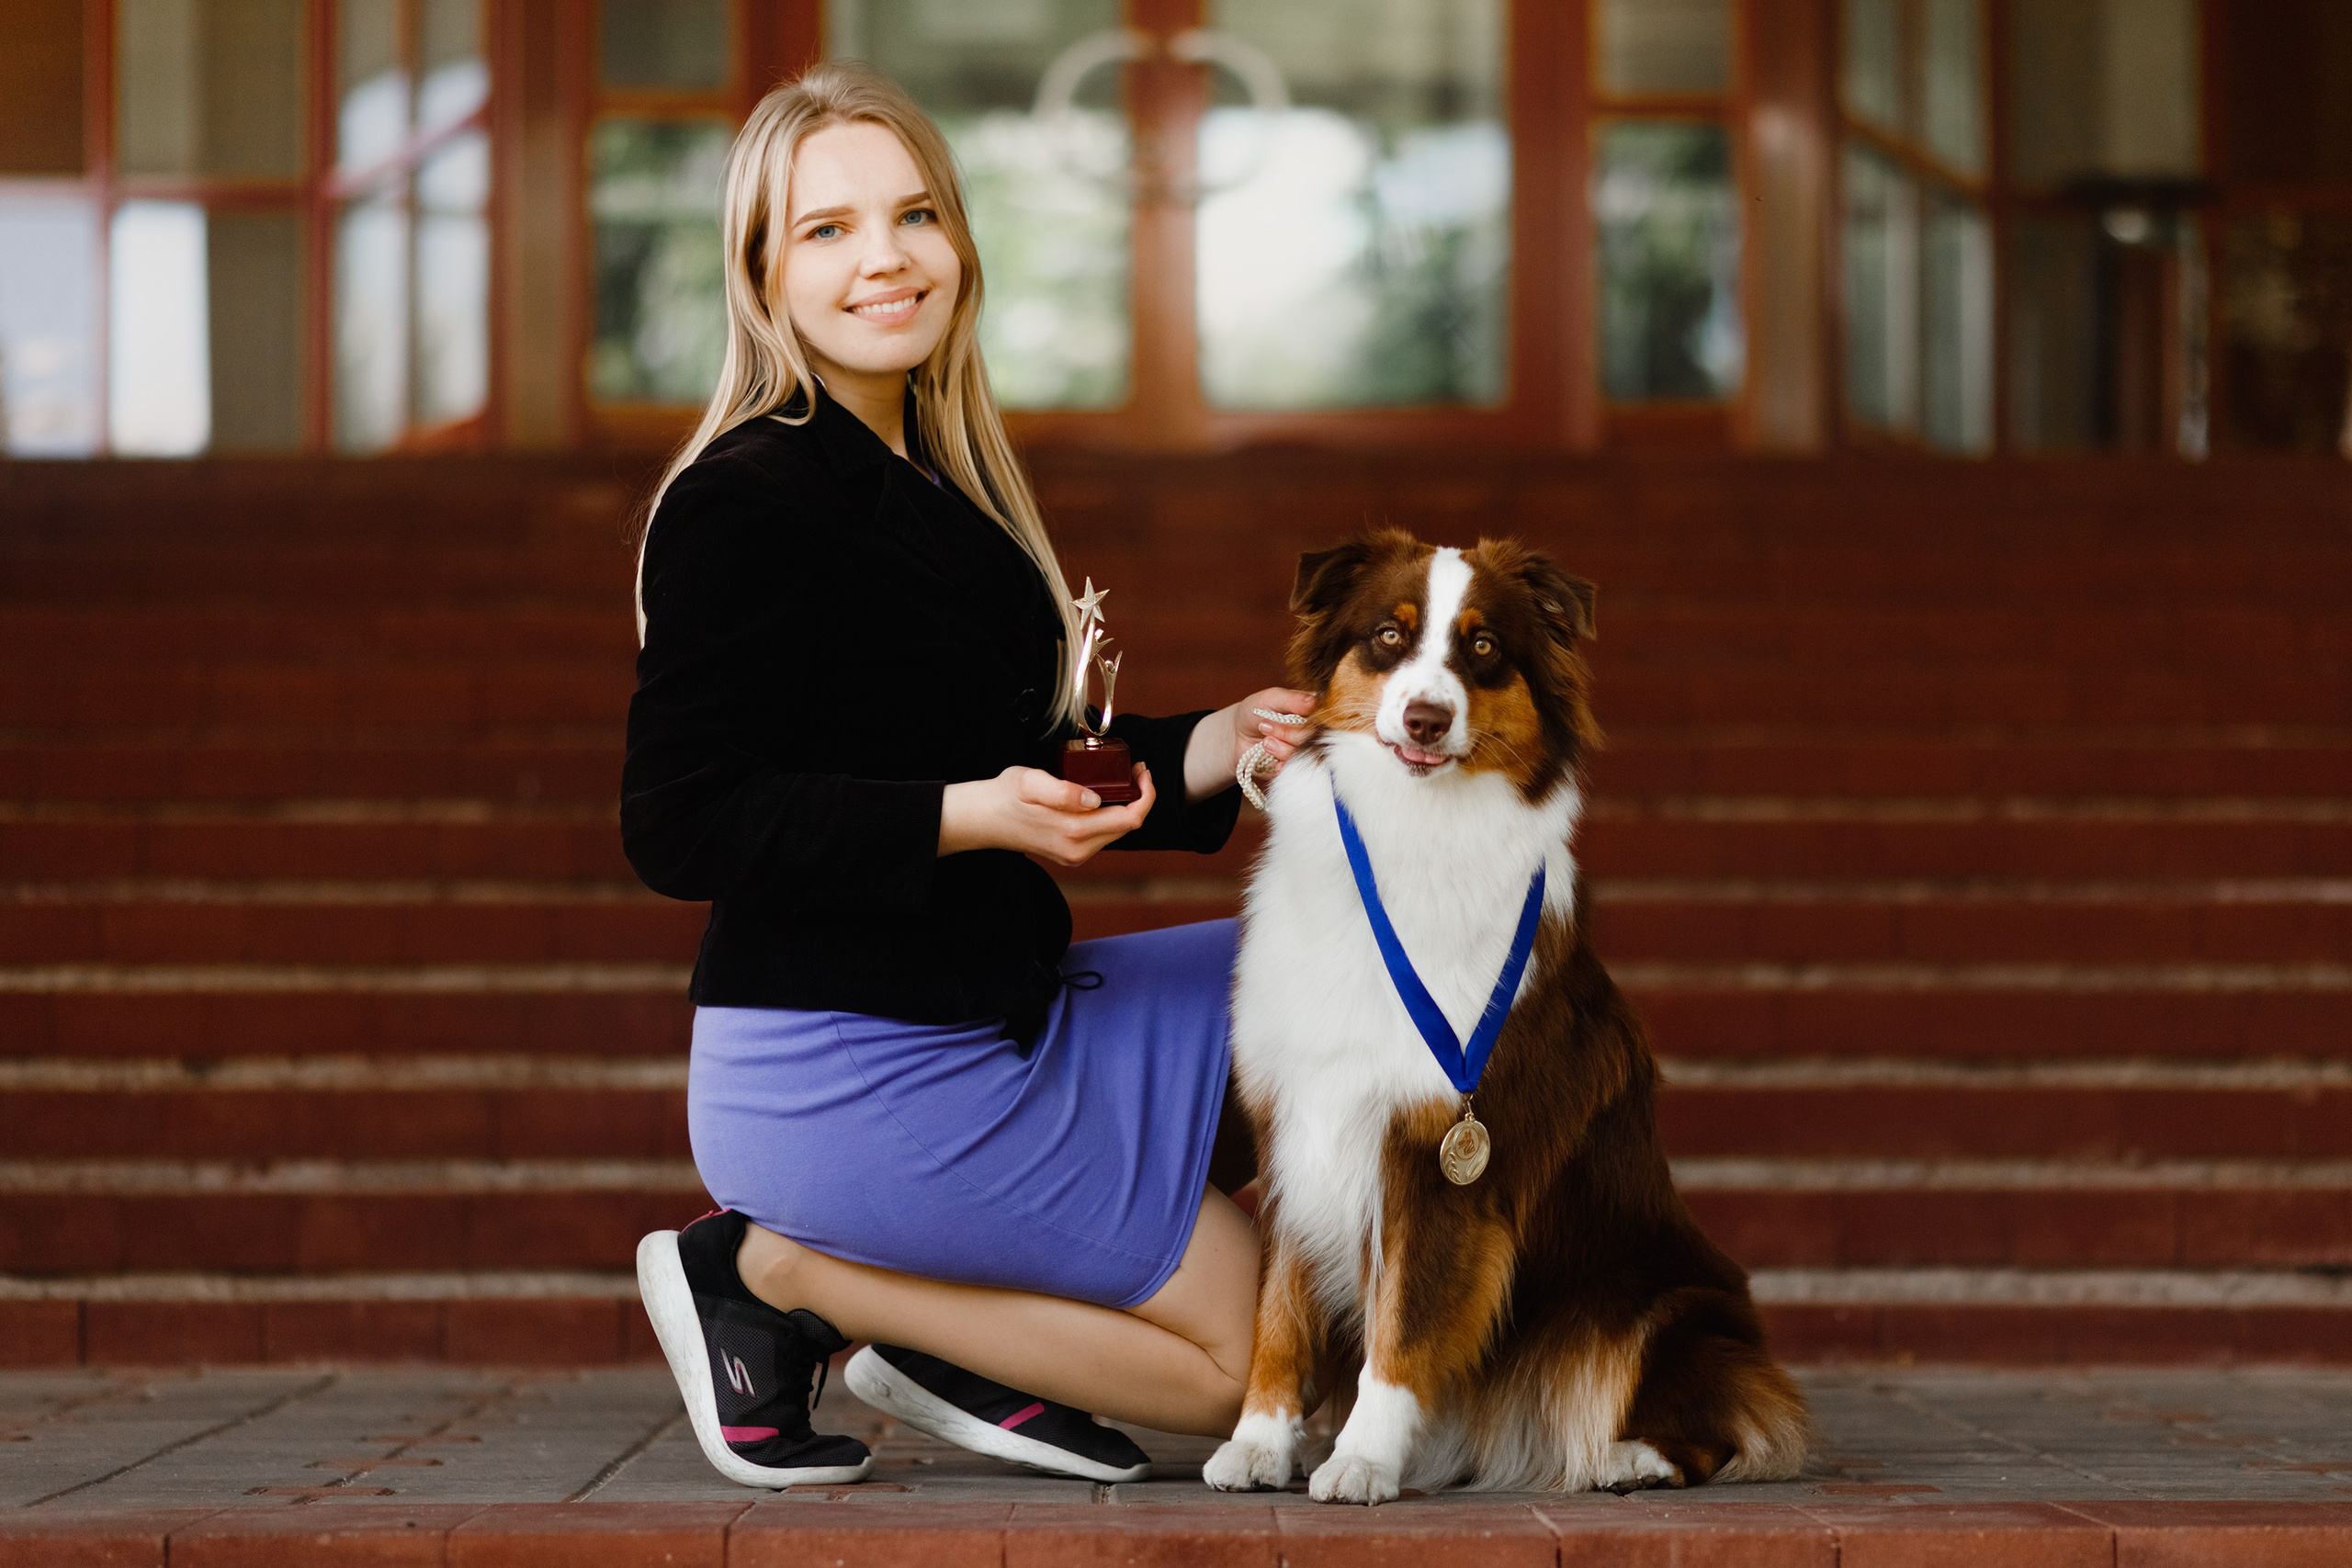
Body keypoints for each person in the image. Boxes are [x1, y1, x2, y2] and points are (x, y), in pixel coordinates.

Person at [623, 61, 1311, 1490]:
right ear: (761, 271)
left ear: (958, 241)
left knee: (1350, 970)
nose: (884, 256)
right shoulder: (744, 501)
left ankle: (965, 1325)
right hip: (846, 1069)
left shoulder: (945, 489)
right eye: (827, 229)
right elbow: (681, 819)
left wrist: (1225, 739)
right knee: (1261, 1367)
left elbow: (1034, 765)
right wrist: (965, 818)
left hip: (996, 1016)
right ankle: (782, 1274)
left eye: (914, 215)